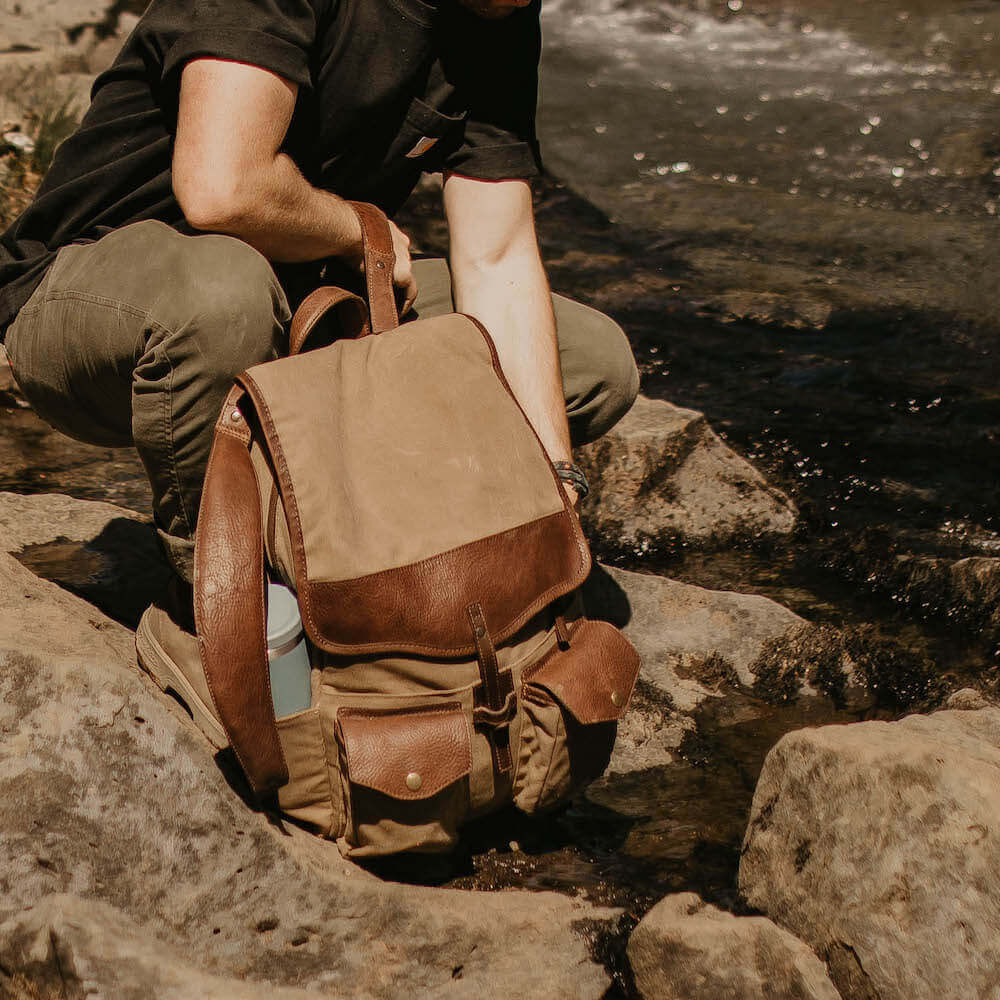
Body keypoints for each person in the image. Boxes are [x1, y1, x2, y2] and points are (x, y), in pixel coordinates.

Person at [0, 0, 638, 744]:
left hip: (303, 303)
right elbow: (222, 187)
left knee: (591, 361)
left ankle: (381, 574)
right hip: (103, 300)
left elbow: (495, 258)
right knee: (221, 295)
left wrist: (552, 504)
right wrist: (358, 230)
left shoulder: (495, 14)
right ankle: (225, 612)